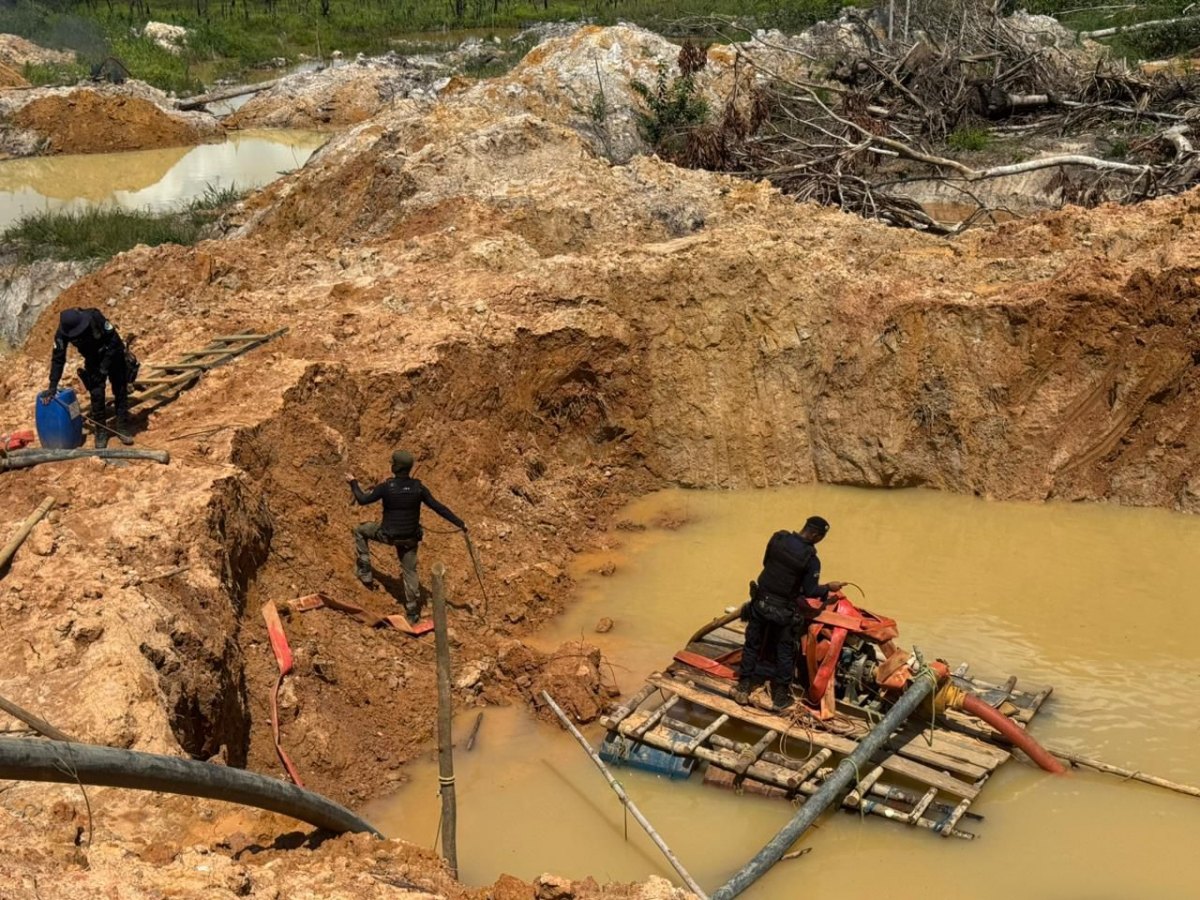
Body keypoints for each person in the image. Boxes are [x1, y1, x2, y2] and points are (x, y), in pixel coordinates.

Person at [733, 516, 845, 712]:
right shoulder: (811, 560)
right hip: (783, 611)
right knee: (785, 651)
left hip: (760, 603)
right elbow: (810, 590)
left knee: (752, 644)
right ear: (816, 535)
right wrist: (828, 587)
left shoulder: (778, 538)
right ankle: (780, 698)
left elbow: (766, 563)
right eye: (821, 538)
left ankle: (743, 688)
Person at [346, 450, 466, 622]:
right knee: (410, 571)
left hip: (388, 535)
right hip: (410, 539)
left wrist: (353, 482)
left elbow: (362, 500)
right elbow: (439, 508)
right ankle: (412, 612)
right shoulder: (418, 488)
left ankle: (365, 571)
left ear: (395, 467)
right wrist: (460, 523)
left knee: (360, 530)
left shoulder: (387, 487)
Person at [42, 307, 133, 449]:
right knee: (96, 394)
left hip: (113, 354)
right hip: (93, 359)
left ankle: (122, 426)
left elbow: (115, 341)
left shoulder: (94, 316)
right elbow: (58, 359)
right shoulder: (62, 333)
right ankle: (101, 431)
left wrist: (104, 367)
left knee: (120, 389)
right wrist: (53, 385)